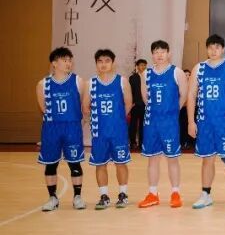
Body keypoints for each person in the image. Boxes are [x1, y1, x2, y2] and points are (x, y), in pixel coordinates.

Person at [187, 34, 225, 209]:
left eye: (217, 47)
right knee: (207, 159)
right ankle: (206, 194)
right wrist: (191, 121)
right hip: (204, 122)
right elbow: (191, 95)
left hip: (224, 121)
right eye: (210, 47)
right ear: (207, 49)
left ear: (223, 49)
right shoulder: (199, 68)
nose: (213, 50)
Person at [138, 40, 187, 209]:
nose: (159, 55)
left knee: (172, 158)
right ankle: (152, 194)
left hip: (169, 122)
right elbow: (145, 98)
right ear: (152, 55)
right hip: (152, 122)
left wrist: (172, 111)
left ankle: (175, 193)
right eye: (156, 52)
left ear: (169, 53)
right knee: (153, 159)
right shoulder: (146, 74)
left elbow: (183, 95)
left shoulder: (177, 72)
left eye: (162, 51)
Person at [37, 47, 86, 211]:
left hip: (72, 127)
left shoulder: (78, 81)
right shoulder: (43, 84)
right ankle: (52, 198)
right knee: (51, 164)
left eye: (70, 60)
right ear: (54, 63)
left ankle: (77, 197)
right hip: (52, 128)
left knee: (75, 163)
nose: (68, 63)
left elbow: (83, 104)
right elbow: (43, 108)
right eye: (64, 60)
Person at [84, 49, 133, 210]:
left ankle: (123, 194)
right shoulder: (90, 83)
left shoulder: (122, 81)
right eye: (100, 61)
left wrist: (117, 120)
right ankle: (104, 196)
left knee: (121, 163)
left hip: (118, 131)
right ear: (96, 64)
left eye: (107, 61)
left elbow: (128, 103)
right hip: (100, 132)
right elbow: (85, 107)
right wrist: (96, 120)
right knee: (100, 164)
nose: (103, 64)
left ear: (113, 63)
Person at [128, 58, 147, 151]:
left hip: (145, 105)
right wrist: (131, 103)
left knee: (143, 125)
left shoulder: (148, 77)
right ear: (137, 66)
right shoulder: (132, 77)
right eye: (141, 65)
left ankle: (142, 143)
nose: (143, 67)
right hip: (135, 105)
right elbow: (130, 92)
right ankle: (132, 142)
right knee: (133, 125)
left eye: (144, 65)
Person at [179, 69, 195, 149]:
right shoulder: (179, 85)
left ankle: (192, 142)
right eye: (185, 75)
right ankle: (184, 142)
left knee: (193, 125)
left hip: (193, 109)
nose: (187, 76)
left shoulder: (194, 85)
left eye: (189, 75)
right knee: (183, 126)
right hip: (183, 109)